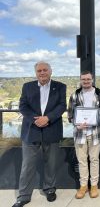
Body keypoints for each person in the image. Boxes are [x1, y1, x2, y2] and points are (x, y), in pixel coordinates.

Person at [12, 61, 66, 207]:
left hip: (52, 129)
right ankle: (24, 196)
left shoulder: (60, 86)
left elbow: (62, 106)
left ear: (50, 71)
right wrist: (36, 120)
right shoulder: (27, 86)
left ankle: (49, 189)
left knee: (51, 163)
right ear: (36, 73)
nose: (42, 73)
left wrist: (47, 118)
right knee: (27, 165)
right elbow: (23, 106)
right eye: (39, 71)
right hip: (31, 130)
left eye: (45, 70)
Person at [67, 71, 100, 199]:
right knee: (82, 160)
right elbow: (70, 115)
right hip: (79, 134)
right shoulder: (74, 95)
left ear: (92, 79)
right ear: (80, 80)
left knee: (94, 160)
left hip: (95, 133)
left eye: (88, 79)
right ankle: (83, 185)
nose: (86, 81)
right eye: (83, 79)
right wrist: (76, 123)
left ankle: (94, 185)